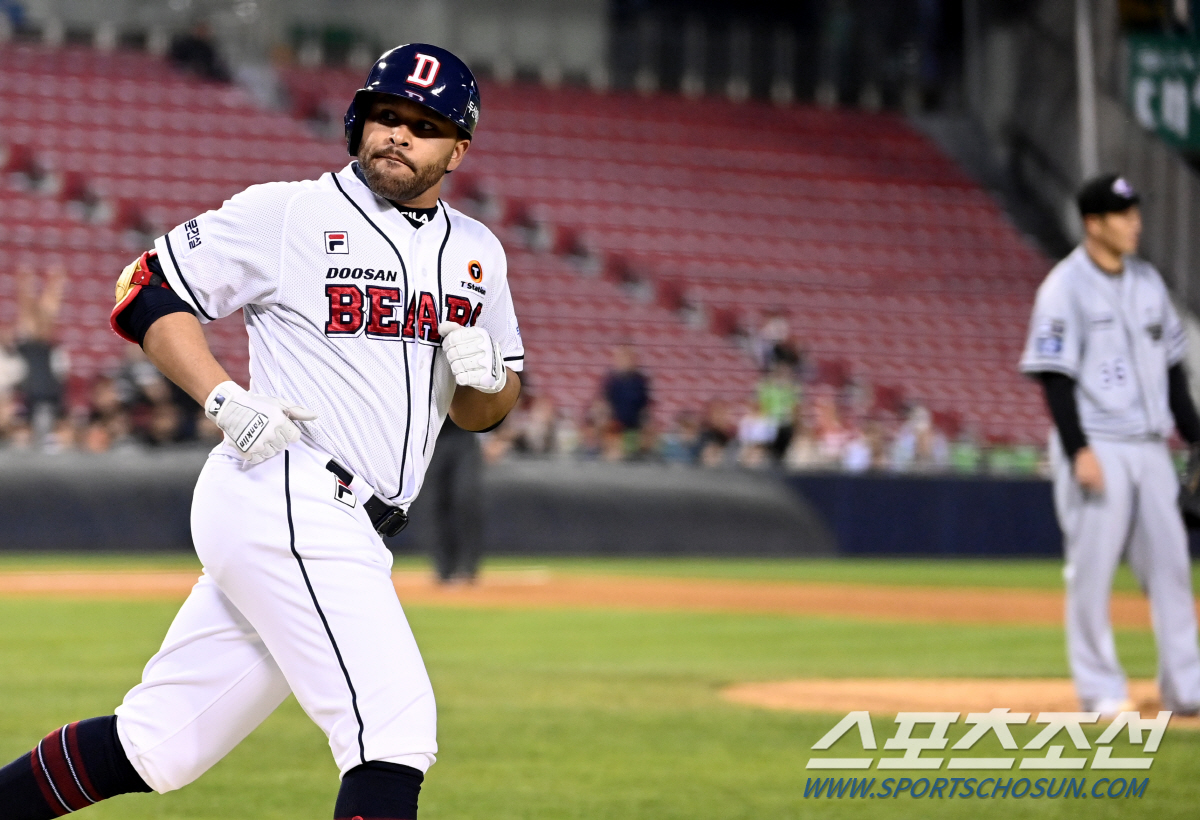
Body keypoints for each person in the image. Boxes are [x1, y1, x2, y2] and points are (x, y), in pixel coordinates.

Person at [0, 44, 523, 820]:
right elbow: (146, 291)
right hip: (290, 489)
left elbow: (486, 411)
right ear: (357, 121)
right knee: (393, 731)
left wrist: (484, 379)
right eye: (386, 115)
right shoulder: (292, 213)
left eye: (425, 124)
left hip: (355, 522)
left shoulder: (478, 253)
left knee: (158, 746)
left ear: (459, 147)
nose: (399, 135)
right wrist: (221, 396)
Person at [1019, 173, 1200, 717]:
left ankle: (1187, 687)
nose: (1135, 222)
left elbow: (1173, 374)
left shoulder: (1148, 283)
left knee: (1170, 569)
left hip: (1150, 446)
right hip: (1098, 441)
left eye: (1135, 212)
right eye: (1123, 214)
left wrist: (1197, 436)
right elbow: (1055, 377)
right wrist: (1079, 451)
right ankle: (1101, 690)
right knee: (1091, 573)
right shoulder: (1063, 287)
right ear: (1093, 223)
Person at [414, 420, 485, 584]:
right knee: (433, 504)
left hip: (463, 433)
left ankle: (467, 567)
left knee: (466, 498)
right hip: (431, 437)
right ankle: (443, 568)